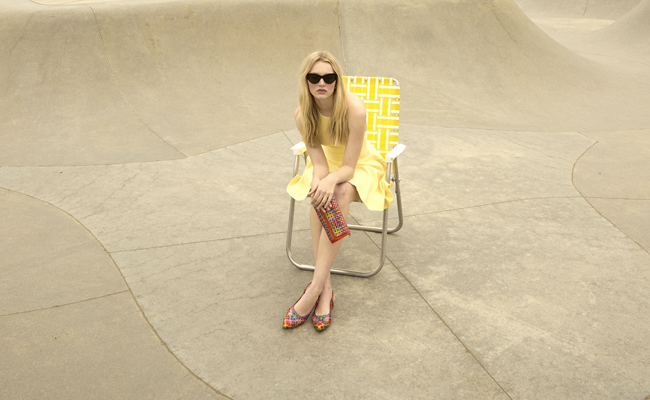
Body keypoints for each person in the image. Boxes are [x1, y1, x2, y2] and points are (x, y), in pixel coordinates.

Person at [284, 51, 393, 332]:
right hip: (328, 166)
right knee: (319, 194)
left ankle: (314, 289)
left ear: (337, 80)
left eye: (328, 77)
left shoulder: (354, 109)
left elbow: (349, 167)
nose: (321, 83)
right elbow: (319, 164)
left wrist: (331, 180)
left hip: (360, 165)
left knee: (340, 192)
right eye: (314, 77)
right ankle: (326, 289)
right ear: (306, 81)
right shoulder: (302, 115)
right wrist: (320, 180)